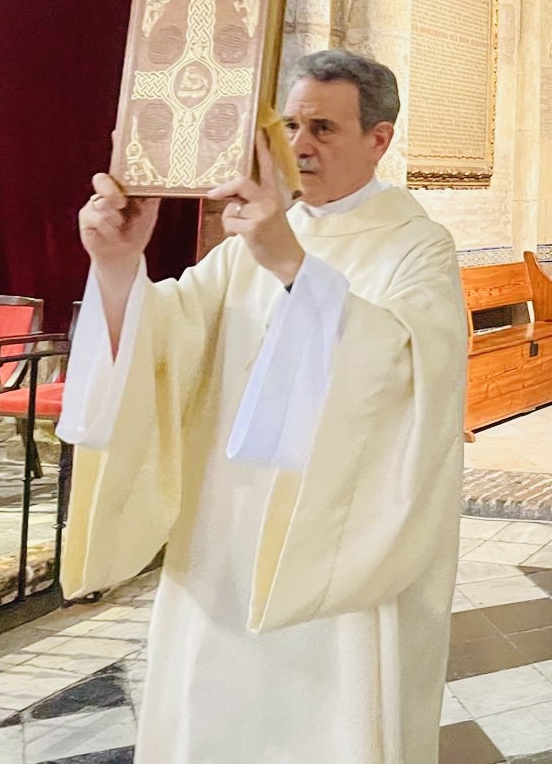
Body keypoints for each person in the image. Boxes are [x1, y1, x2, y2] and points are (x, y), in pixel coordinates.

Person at [58, 49, 468, 764]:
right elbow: (166, 343)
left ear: (379, 139)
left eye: (324, 128)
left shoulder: (416, 246)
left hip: (336, 541)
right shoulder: (242, 248)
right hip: (223, 533)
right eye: (291, 127)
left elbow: (407, 374)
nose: (301, 145)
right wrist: (119, 264)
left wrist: (289, 262)